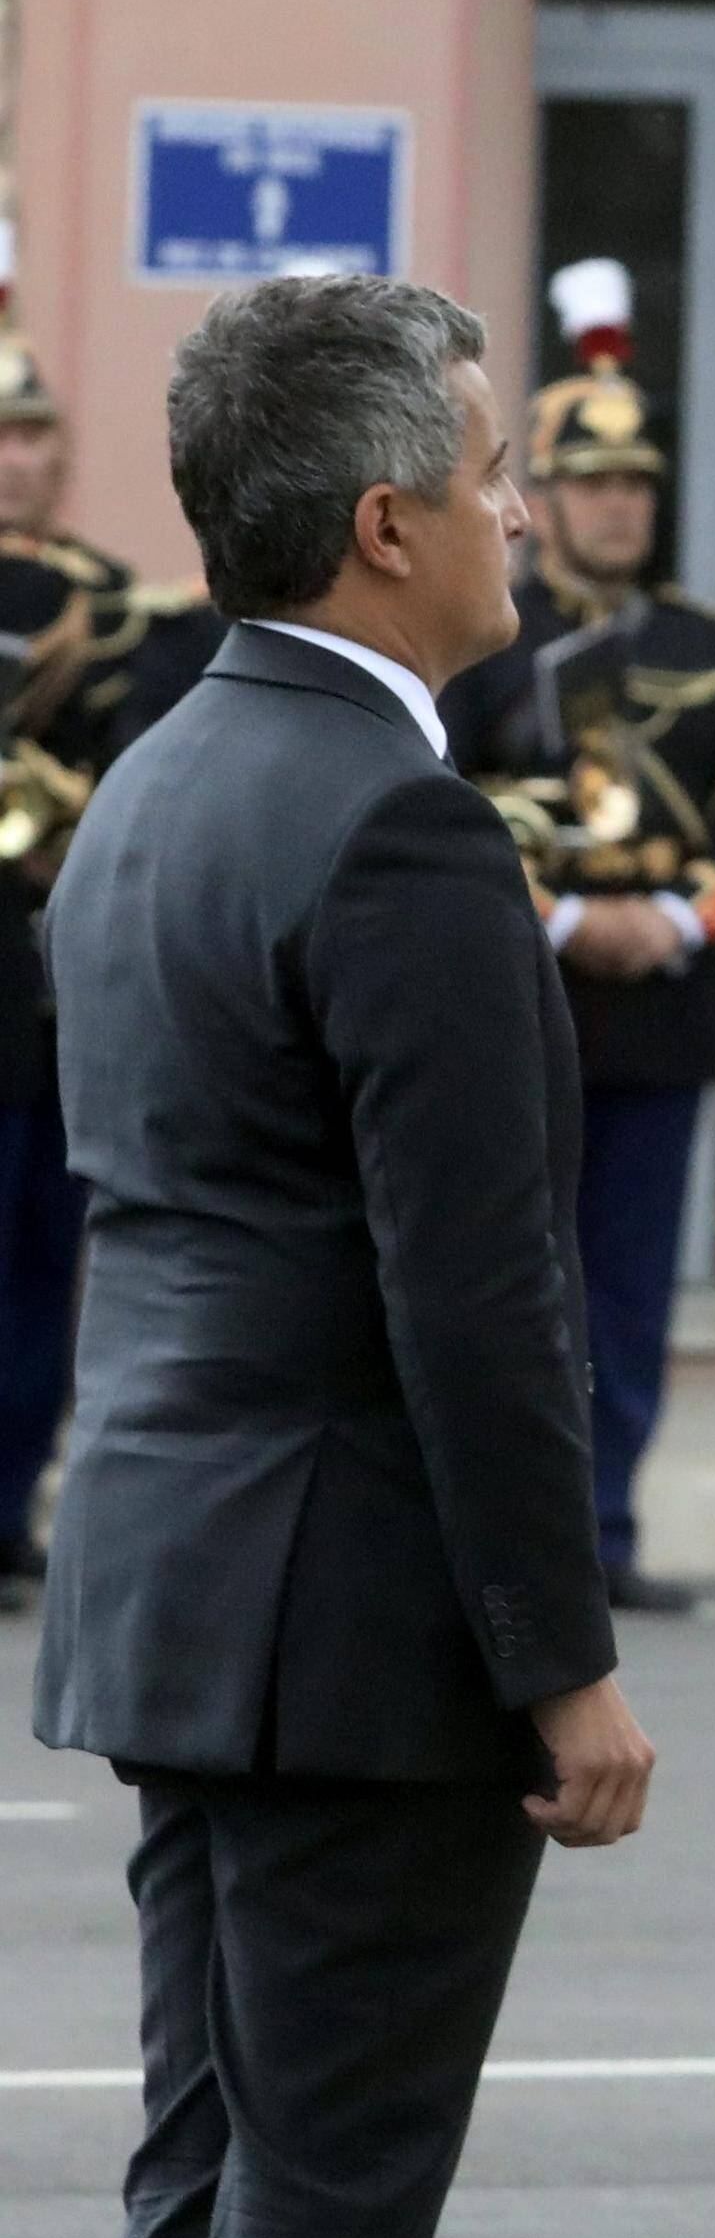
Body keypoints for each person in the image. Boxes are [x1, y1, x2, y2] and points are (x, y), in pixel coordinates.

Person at [37, 271, 650, 2238]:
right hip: (353, 1603)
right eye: (497, 474)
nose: (523, 511)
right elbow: (476, 1292)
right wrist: (567, 1659)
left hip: (182, 1559)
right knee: (316, 2225)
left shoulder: (163, 772)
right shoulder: (390, 823)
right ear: (388, 520)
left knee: (213, 2195)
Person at [437, 266, 715, 1617]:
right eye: (593, 482)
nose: (619, 503)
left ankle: (608, 1527)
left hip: (668, 1003)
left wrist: (682, 918)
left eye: (639, 482)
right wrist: (570, 916)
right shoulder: (490, 639)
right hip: (530, 993)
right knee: (525, 1280)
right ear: (550, 495)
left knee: (630, 1291)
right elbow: (451, 803)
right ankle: (514, 1539)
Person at [0, 226, 216, 1592]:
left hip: (37, 990)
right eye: (1, 437)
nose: (22, 460)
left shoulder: (110, 608)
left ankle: (8, 1506)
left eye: (38, 439)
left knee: (39, 1267)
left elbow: (135, 754)